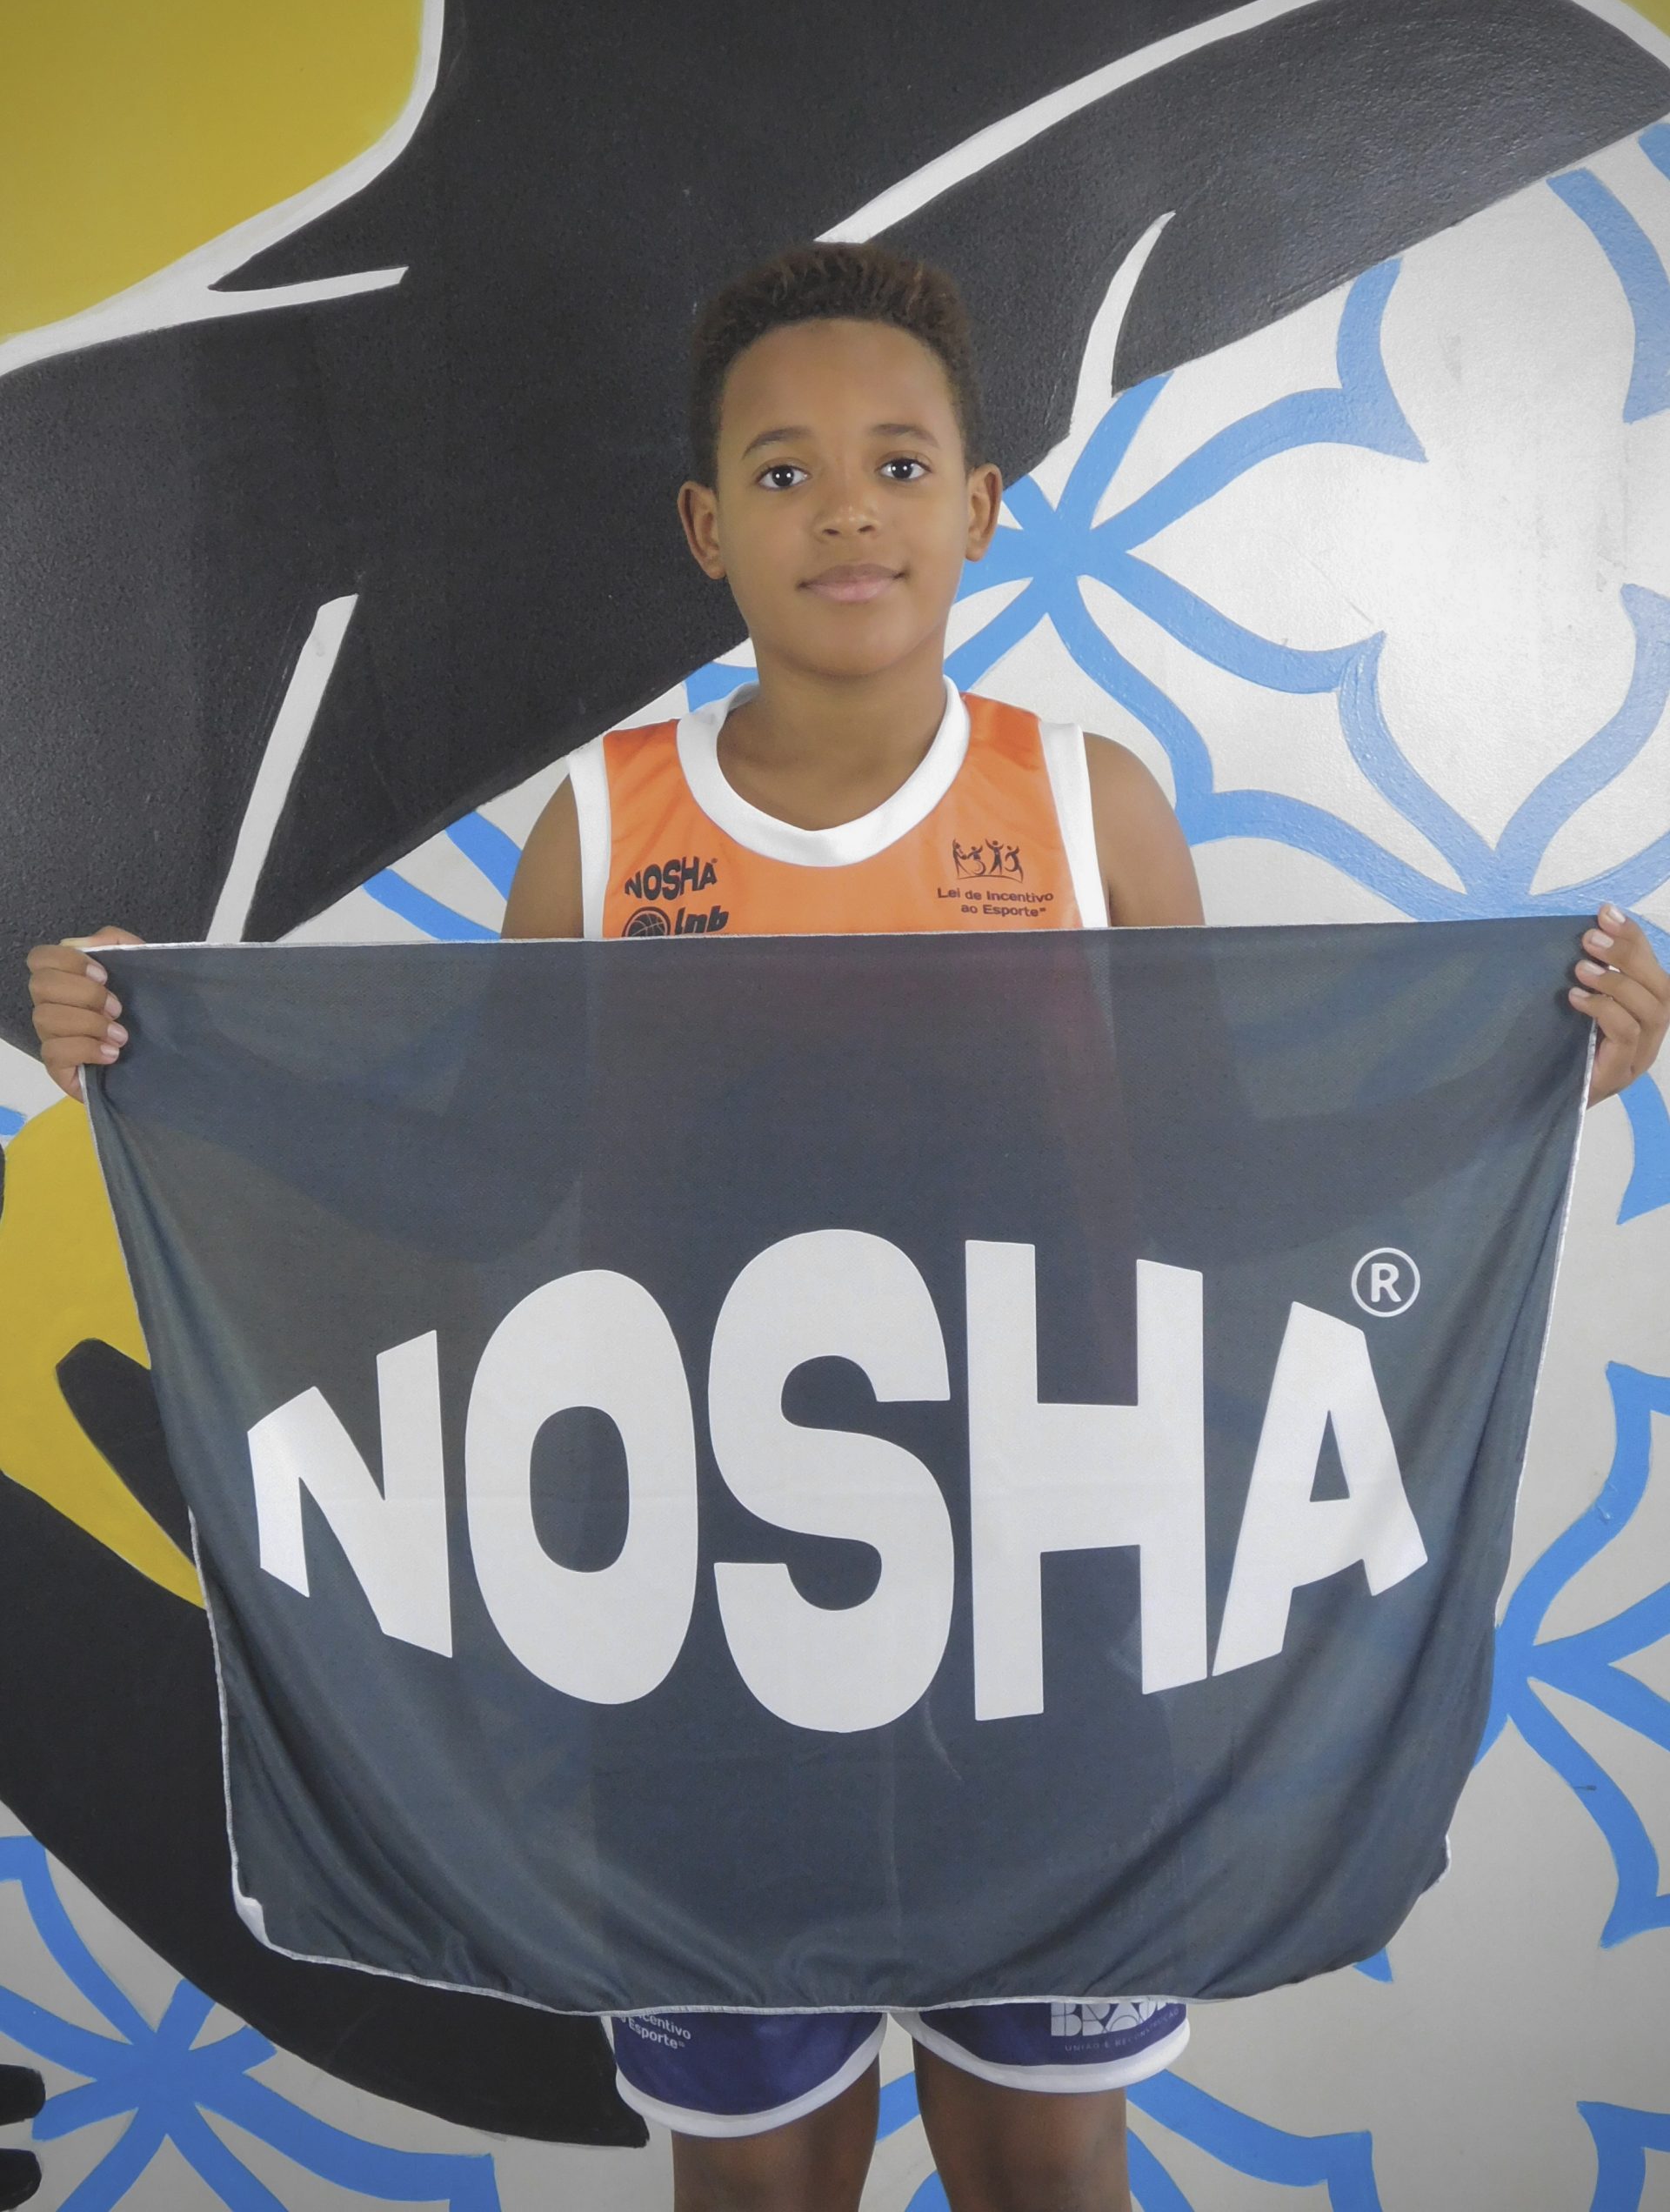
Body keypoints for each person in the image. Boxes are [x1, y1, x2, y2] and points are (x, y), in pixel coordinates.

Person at [27, 244, 1670, 2212]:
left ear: (979, 506)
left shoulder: (1089, 809)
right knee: (758, 2177)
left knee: (1043, 2162)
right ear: (707, 527)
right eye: (784, 471)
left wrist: (1524, 1086)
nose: (847, 510)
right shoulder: (606, 829)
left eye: (897, 463)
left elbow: (1223, 1189)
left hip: (1056, 1590)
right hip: (700, 1604)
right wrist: (167, 1060)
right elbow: (480, 1184)